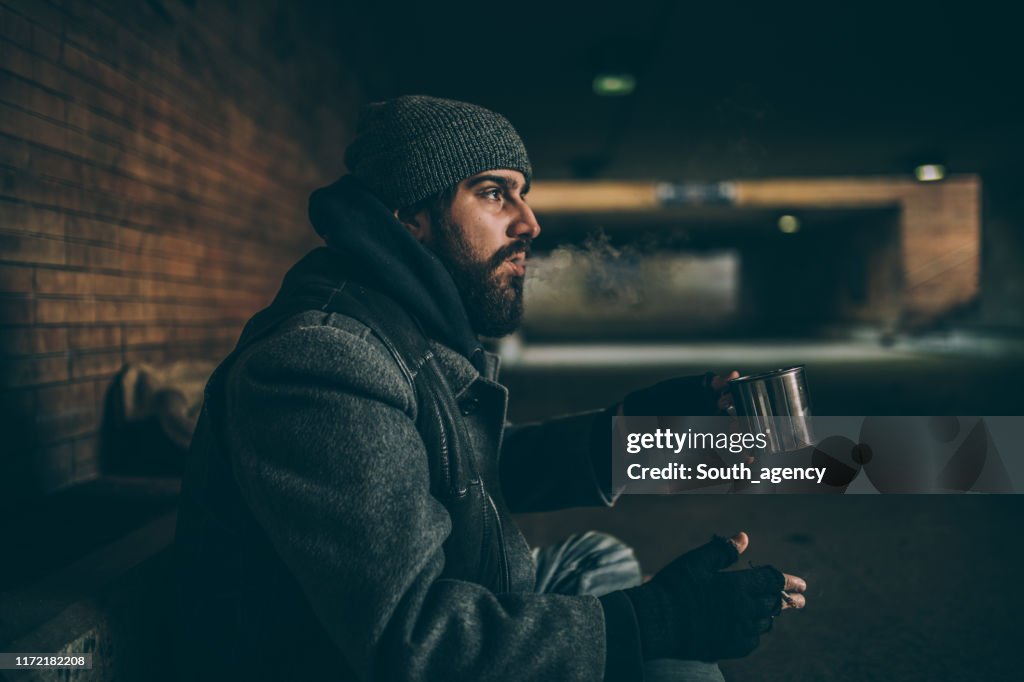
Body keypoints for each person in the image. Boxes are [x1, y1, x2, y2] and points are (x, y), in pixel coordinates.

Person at [174, 95, 807, 681]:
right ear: (411, 217)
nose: (529, 222)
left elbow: (457, 467)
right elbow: (410, 637)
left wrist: (635, 428)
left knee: (596, 556)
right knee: (671, 657)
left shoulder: (404, 327)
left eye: (522, 194)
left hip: (454, 602)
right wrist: (654, 621)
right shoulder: (326, 359)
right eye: (494, 194)